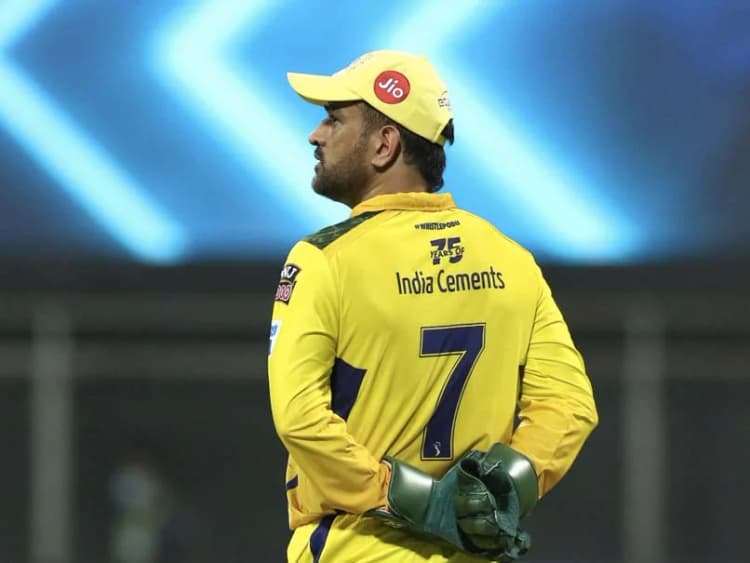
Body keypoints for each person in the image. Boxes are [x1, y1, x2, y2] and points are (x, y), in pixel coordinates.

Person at [267, 49, 598, 562]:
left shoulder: (323, 259)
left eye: (334, 119)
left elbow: (300, 419)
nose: (316, 134)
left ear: (385, 144)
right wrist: (502, 491)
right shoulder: (511, 260)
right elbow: (570, 404)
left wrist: (414, 500)